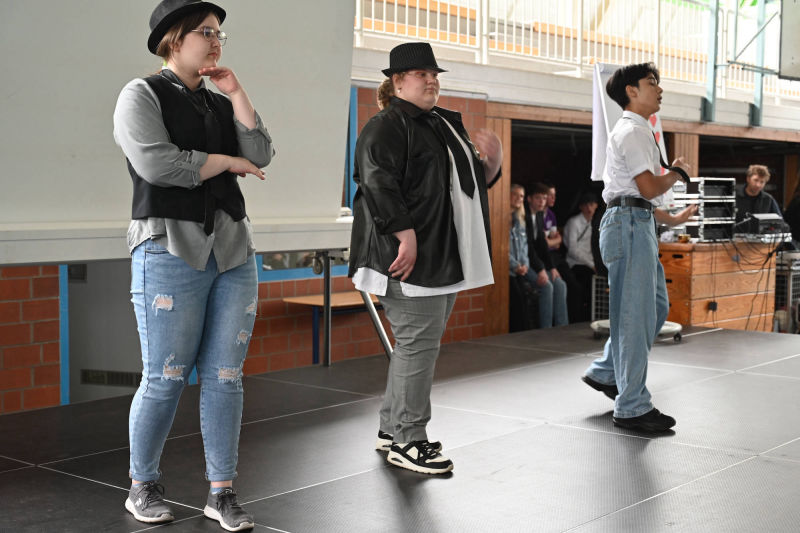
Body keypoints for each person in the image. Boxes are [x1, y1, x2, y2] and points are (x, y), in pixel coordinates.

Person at [113, 0, 274, 529]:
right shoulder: (141, 94)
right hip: (167, 245)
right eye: (205, 32)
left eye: (220, 33)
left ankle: (221, 492)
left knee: (226, 376)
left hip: (232, 247)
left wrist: (236, 93)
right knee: (166, 376)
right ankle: (142, 486)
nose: (216, 41)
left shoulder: (218, 100)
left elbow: (261, 153)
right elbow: (156, 164)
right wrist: (225, 162)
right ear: (174, 39)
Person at [348, 42, 502, 475]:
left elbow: (463, 185)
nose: (432, 80)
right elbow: (377, 184)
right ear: (398, 81)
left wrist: (492, 163)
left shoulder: (442, 124)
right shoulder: (386, 126)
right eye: (422, 74)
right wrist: (406, 236)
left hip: (440, 252)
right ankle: (409, 439)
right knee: (418, 346)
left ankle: (391, 429)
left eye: (434, 74)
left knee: (415, 347)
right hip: (409, 255)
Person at [581, 62, 690, 433]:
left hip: (635, 222)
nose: (659, 89)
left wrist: (671, 216)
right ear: (631, 91)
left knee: (653, 308)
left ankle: (607, 372)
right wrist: (675, 173)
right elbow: (646, 188)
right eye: (651, 82)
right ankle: (631, 406)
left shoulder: (638, 129)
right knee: (634, 316)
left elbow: (640, 195)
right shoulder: (632, 131)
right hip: (629, 225)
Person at [525, 182, 569, 327]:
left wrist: (551, 267)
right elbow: (529, 248)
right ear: (529, 199)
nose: (541, 202)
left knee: (560, 284)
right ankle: (546, 330)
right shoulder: (524, 215)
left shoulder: (539, 215)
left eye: (544, 198)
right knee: (547, 286)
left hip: (537, 261)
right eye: (538, 198)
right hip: (525, 262)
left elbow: (542, 245)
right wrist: (541, 269)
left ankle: (562, 327)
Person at [563, 191, 599, 322]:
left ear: (596, 205)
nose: (589, 208)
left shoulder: (595, 223)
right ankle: (582, 319)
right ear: (580, 207)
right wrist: (592, 264)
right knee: (586, 283)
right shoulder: (574, 222)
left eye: (591, 204)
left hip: (590, 263)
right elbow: (572, 249)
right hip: (575, 263)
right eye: (586, 205)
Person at [509, 184, 539, 330]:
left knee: (526, 299)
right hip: (508, 270)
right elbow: (499, 249)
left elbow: (524, 245)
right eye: (515, 194)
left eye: (521, 196)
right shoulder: (500, 218)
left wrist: (525, 264)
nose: (519, 198)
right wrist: (515, 266)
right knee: (518, 299)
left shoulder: (519, 219)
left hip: (520, 269)